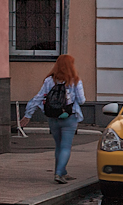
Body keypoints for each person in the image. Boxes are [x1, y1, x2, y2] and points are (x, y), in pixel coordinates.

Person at [20, 54, 86, 184]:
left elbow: (38, 97)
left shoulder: (49, 80)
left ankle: (62, 172)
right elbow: (82, 100)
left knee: (59, 146)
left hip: (52, 118)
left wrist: (28, 115)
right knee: (66, 147)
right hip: (69, 117)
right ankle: (59, 173)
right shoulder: (75, 81)